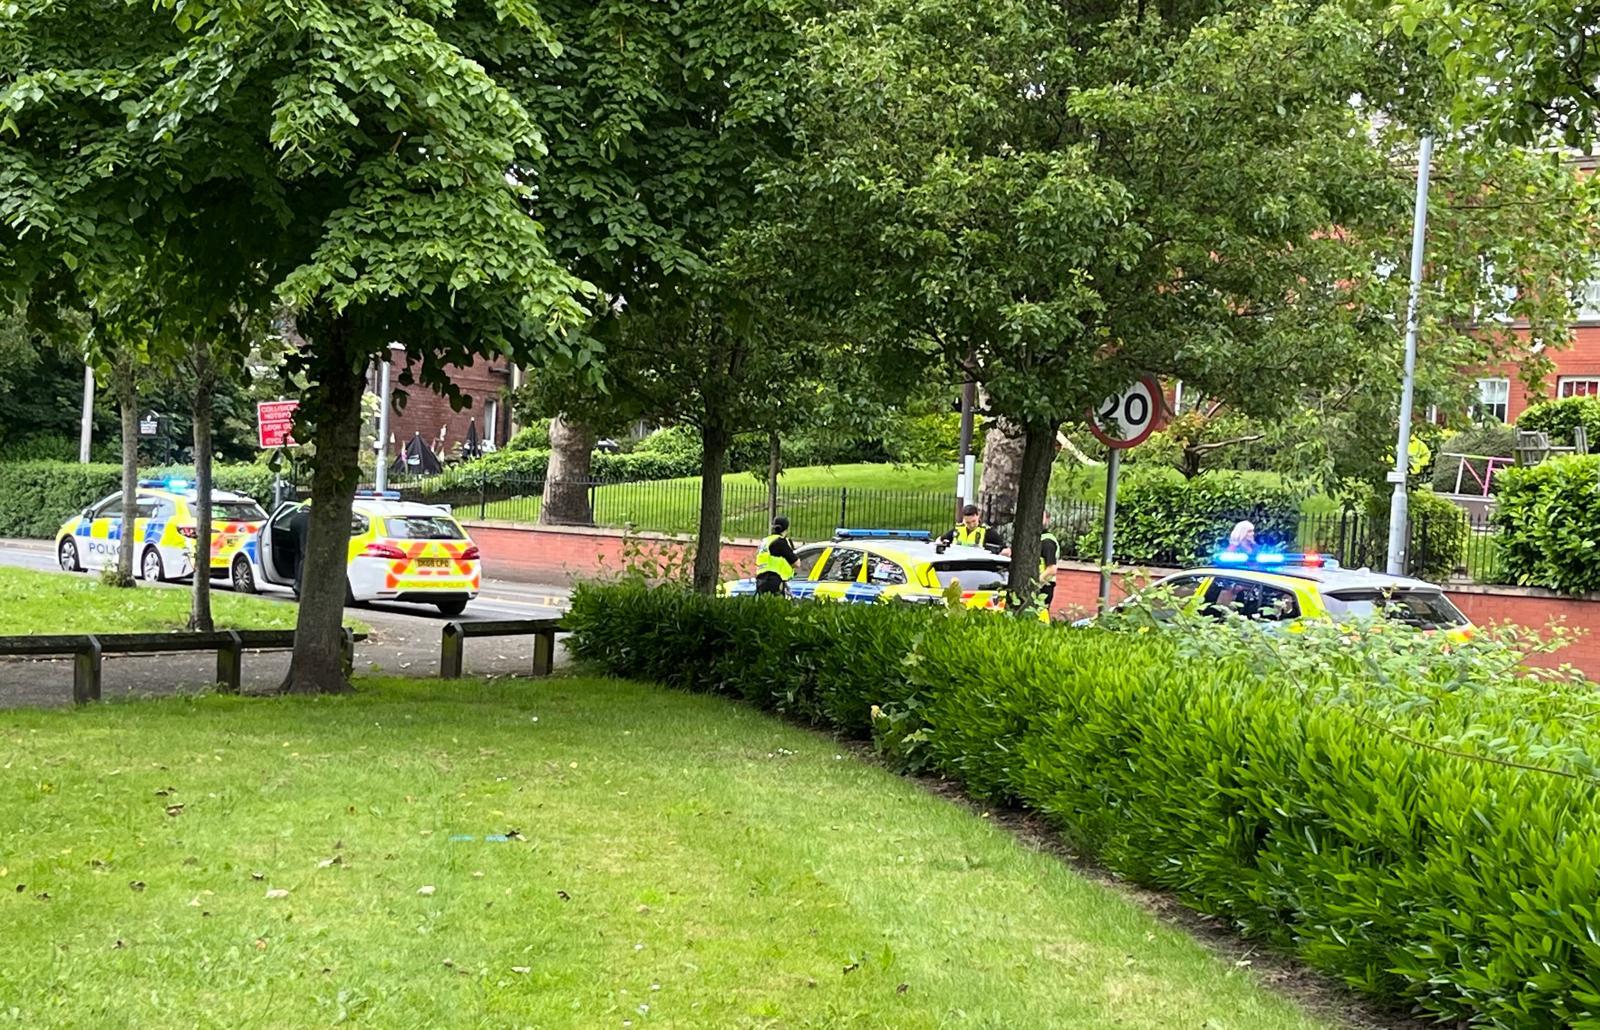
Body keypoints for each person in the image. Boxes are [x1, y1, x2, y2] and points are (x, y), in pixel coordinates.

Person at [754, 516, 799, 596]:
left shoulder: (765, 541)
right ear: (786, 529)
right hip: (774, 581)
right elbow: (797, 563)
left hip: (761, 580)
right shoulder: (780, 542)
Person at [938, 504, 1006, 553]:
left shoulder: (987, 531)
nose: (971, 525)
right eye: (968, 522)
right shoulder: (958, 529)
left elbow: (1004, 550)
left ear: (978, 516)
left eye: (974, 521)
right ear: (963, 519)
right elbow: (940, 540)